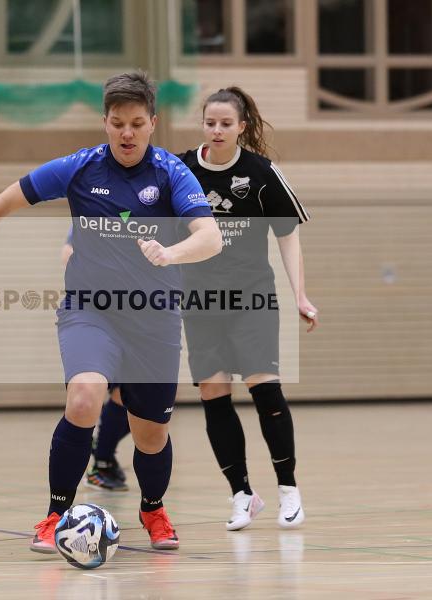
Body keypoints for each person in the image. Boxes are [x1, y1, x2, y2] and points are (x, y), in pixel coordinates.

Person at [0, 71, 222, 552]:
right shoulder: (80, 168)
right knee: (85, 398)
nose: (126, 133)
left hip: (155, 319)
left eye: (136, 123)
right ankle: (55, 514)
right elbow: (5, 201)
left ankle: (153, 509)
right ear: (105, 123)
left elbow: (209, 237)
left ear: (153, 122)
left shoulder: (171, 173)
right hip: (91, 311)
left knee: (150, 434)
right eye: (116, 123)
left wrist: (171, 255)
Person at [177, 87, 317, 531]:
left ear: (241, 127)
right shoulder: (179, 169)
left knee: (266, 389)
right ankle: (241, 494)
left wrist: (300, 294)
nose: (217, 130)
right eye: (210, 122)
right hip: (199, 300)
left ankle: (288, 489)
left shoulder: (260, 172)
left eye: (225, 123)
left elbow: (288, 236)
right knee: (213, 397)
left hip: (251, 297)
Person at [62, 227, 131, 492]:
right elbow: (68, 251)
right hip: (100, 317)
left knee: (146, 398)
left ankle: (103, 449)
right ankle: (101, 460)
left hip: (140, 316)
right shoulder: (96, 214)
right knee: (103, 392)